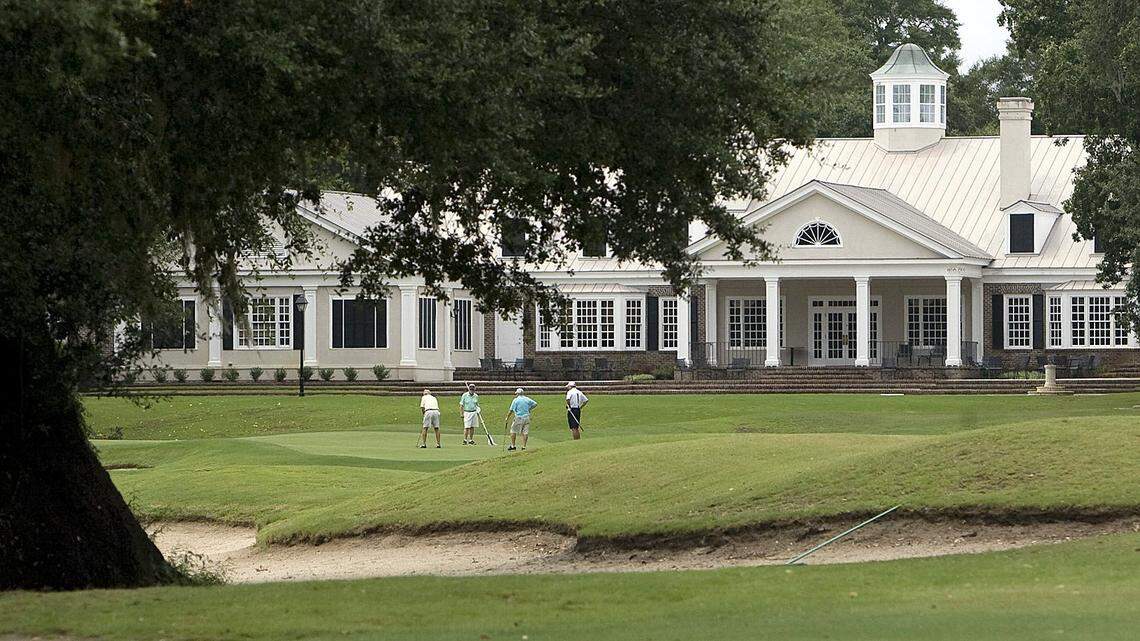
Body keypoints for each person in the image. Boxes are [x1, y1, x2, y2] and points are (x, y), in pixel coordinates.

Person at [505, 387, 537, 451]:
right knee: (525, 432)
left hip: (518, 417)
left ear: (517, 394)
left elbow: (511, 410)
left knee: (513, 431)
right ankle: (524, 446)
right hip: (527, 417)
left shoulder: (515, 400)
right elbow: (535, 404)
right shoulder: (527, 399)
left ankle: (513, 446)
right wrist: (529, 409)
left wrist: (507, 417)